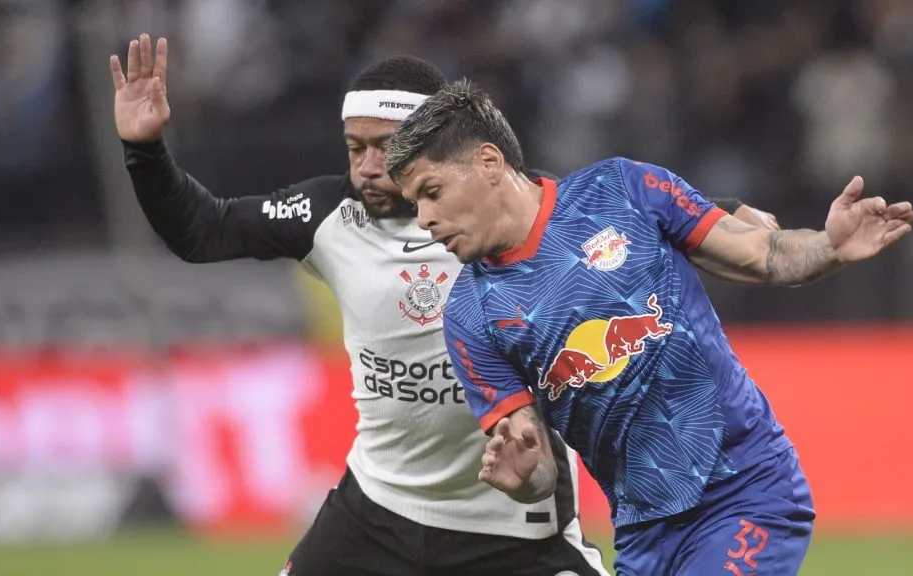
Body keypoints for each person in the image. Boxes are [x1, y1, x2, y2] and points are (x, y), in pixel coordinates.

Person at [110, 33, 774, 575]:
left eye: (384, 148)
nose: (367, 166)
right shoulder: (327, 215)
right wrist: (144, 150)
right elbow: (203, 230)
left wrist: (740, 221)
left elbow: (631, 214)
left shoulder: (510, 214)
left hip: (513, 524)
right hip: (377, 510)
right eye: (354, 148)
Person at [385, 79, 913, 576]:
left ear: (488, 162)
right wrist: (526, 479)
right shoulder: (468, 316)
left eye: (431, 192)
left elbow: (763, 254)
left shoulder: (621, 189)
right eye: (415, 205)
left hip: (743, 489)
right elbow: (540, 468)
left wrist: (830, 247)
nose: (425, 219)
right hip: (643, 533)